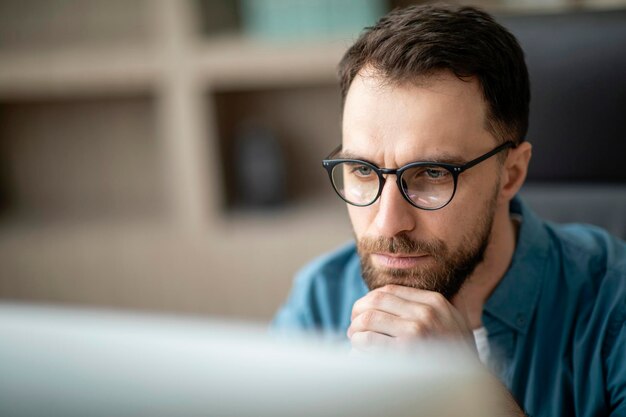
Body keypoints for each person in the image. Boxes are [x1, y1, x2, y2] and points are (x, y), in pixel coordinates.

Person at [272, 4, 626, 417]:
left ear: (510, 174)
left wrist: (473, 396)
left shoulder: (612, 305)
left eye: (432, 174)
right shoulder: (320, 298)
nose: (388, 222)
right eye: (362, 170)